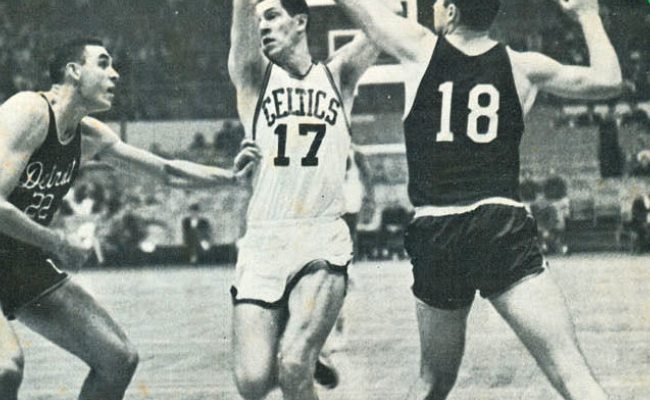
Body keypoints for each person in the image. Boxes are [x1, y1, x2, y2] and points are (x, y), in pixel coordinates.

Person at [334, 0, 621, 399]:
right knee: (573, 375)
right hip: (499, 225)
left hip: (438, 229)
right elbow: (609, 81)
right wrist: (587, 14)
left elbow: (362, 11)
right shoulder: (523, 66)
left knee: (432, 382)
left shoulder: (420, 48)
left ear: (451, 13)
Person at [0, 37, 259, 400]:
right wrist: (56, 241)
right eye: (103, 64)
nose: (115, 74)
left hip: (18, 258)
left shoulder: (89, 135)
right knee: (4, 368)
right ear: (73, 71)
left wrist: (230, 177)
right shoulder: (30, 110)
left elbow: (167, 171)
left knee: (117, 359)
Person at [228, 0, 379, 398]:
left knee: (293, 364)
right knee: (253, 382)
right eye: (260, 19)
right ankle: (302, 345)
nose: (263, 25)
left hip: (321, 234)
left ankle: (303, 350)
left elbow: (380, 28)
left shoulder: (338, 75)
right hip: (264, 238)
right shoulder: (253, 77)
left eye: (273, 15)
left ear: (300, 22)